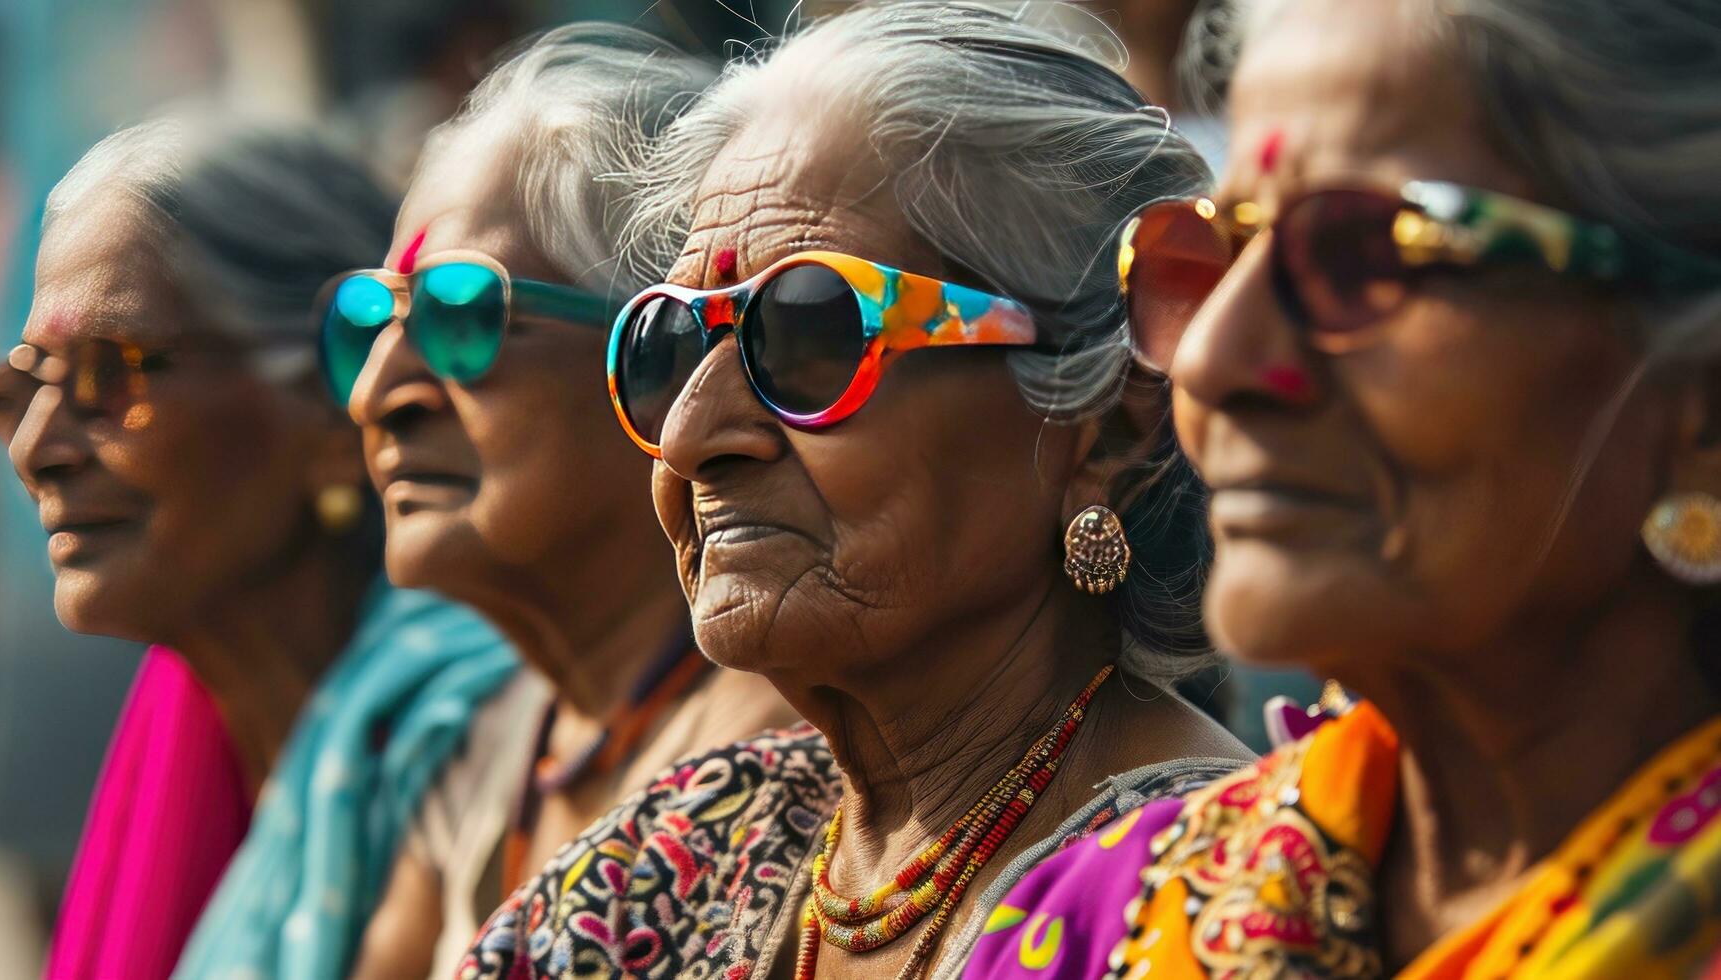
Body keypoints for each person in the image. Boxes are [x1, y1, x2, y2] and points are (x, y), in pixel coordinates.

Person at [459, 6, 1252, 979]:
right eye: (669, 343)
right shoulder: (668, 862)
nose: (691, 435)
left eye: (812, 333)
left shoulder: (1205, 898)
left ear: (1105, 421)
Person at [965, 0, 1721, 975]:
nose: (1209, 360)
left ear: (1698, 411)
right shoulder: (1086, 926)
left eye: (1363, 253)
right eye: (1208, 256)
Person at [0, 118, 519, 980]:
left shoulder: (490, 763)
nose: (36, 448)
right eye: (22, 387)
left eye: (108, 375)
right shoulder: (194, 749)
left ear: (335, 403)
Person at [333, 25, 799, 980]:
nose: (378, 390)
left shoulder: (776, 749)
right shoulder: (495, 740)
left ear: (663, 359)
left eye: (463, 315)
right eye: (369, 320)